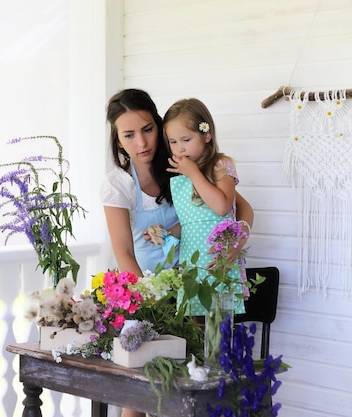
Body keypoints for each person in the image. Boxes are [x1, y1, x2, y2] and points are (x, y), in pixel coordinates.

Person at [101, 89, 253, 417]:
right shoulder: (118, 184)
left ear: (160, 127)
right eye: (129, 135)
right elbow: (125, 253)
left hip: (192, 286)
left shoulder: (180, 169)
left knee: (187, 380)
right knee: (141, 391)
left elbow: (237, 209)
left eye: (148, 130)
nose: (141, 143)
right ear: (118, 139)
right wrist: (150, 303)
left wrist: (240, 238)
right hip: (147, 294)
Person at [163, 97, 248, 316]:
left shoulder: (220, 166)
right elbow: (192, 223)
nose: (179, 148)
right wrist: (166, 233)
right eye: (173, 142)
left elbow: (221, 208)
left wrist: (194, 173)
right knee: (195, 327)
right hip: (192, 263)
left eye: (186, 139)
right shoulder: (181, 178)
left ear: (206, 135)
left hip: (218, 260)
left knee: (219, 326)